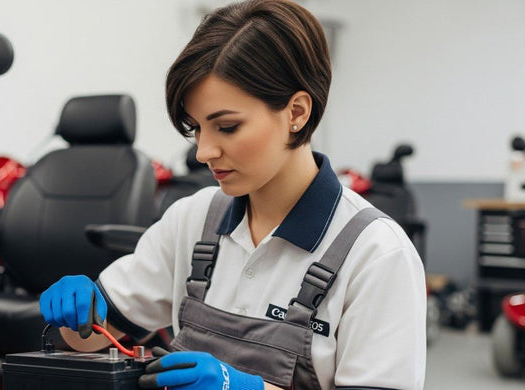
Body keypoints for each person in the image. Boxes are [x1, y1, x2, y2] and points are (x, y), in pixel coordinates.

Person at [39, 0, 426, 389]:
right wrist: (79, 314)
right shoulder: (192, 221)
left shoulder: (375, 255)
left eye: (226, 127)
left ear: (296, 112)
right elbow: (86, 339)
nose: (204, 152)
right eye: (196, 129)